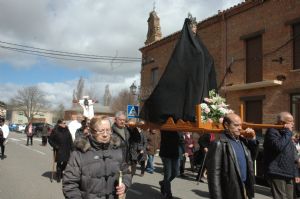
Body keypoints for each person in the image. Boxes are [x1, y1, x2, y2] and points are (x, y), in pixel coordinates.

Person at [63, 116, 131, 199]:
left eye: (108, 130)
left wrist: (124, 184)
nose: (105, 134)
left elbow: (126, 173)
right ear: (92, 131)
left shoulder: (117, 150)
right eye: (101, 131)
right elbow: (70, 184)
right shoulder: (79, 153)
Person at [206, 113, 259, 199]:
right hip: (230, 191)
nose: (240, 128)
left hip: (245, 188)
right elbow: (213, 176)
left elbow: (251, 159)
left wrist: (253, 139)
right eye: (236, 125)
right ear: (226, 125)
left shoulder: (242, 141)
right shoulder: (219, 143)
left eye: (240, 125)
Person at [263, 112, 300, 199]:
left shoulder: (287, 134)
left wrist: (296, 173)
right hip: (277, 172)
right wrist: (288, 133)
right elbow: (278, 147)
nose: (293, 124)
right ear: (282, 123)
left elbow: (292, 154)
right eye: (290, 121)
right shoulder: (272, 131)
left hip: (289, 172)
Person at [159, 131, 183, 199]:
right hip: (166, 153)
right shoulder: (166, 127)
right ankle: (168, 194)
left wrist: (183, 150)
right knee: (168, 174)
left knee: (176, 173)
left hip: (175, 154)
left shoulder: (179, 129)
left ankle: (163, 183)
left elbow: (181, 140)